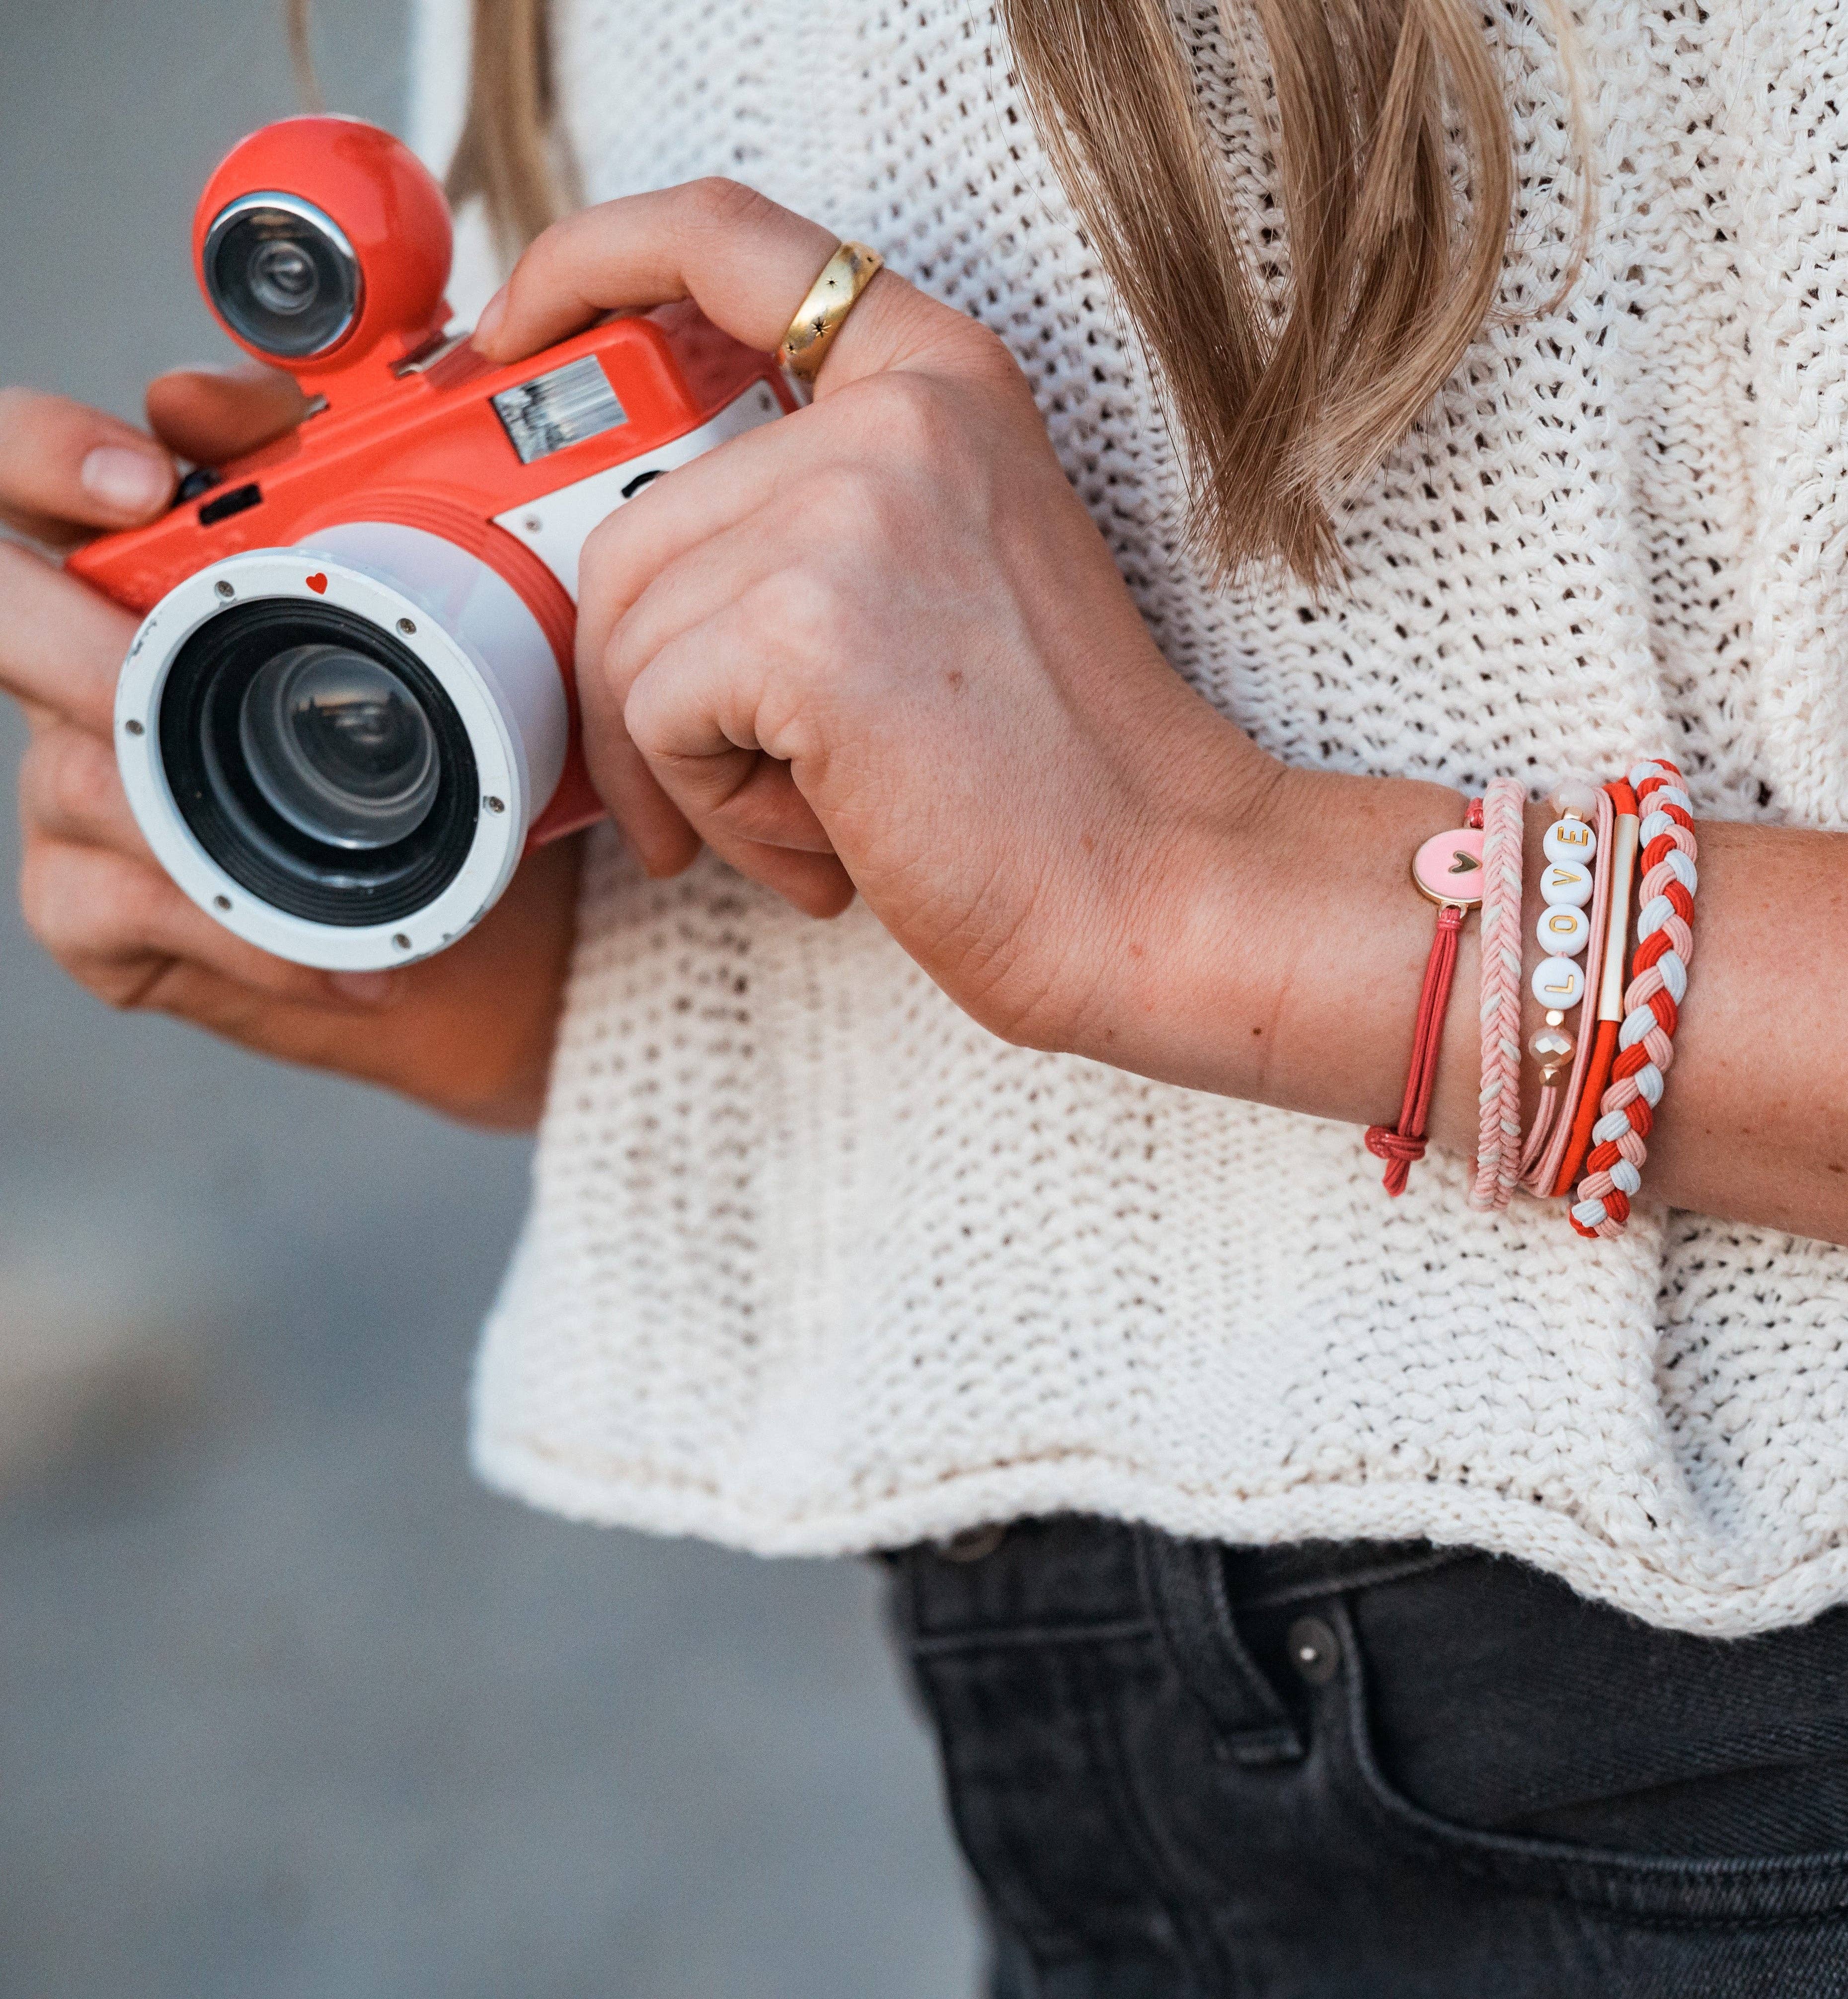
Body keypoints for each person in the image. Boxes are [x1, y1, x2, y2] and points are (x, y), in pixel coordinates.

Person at [7, 0, 1848, 1988]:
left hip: (1734, 1696)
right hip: (1069, 1711)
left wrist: (1188, 881)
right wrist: (481, 941)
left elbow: (1116, 873)